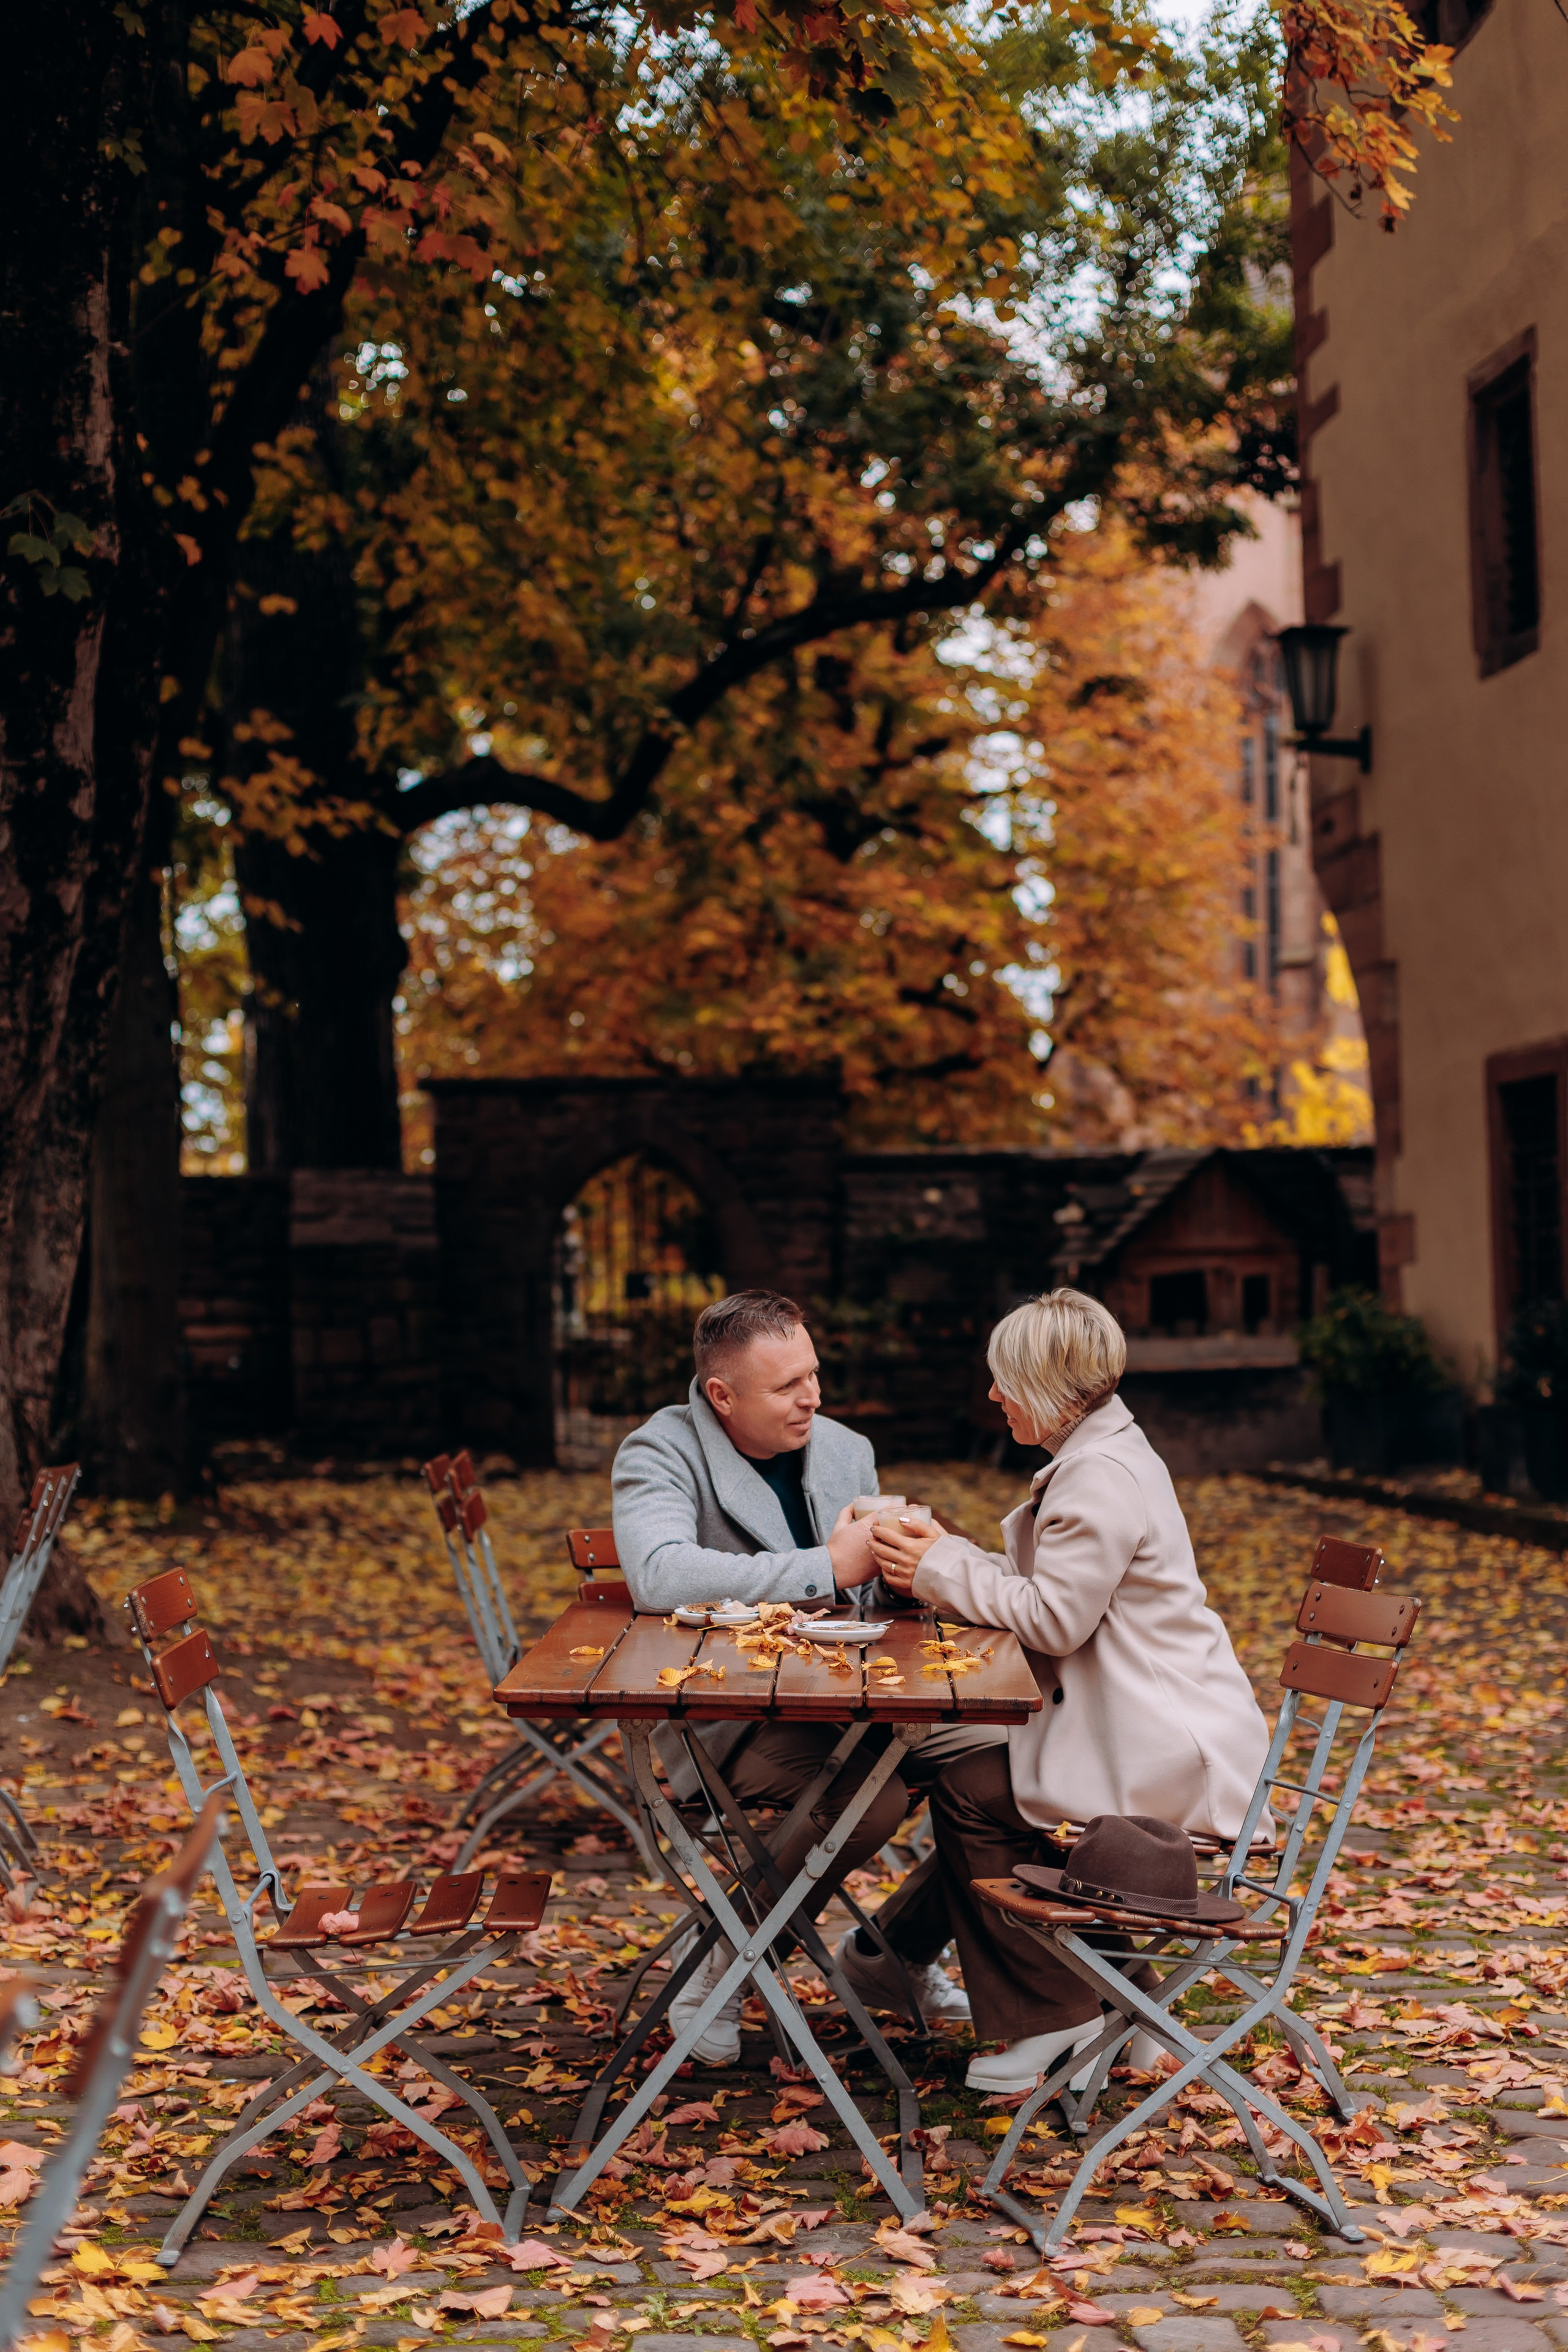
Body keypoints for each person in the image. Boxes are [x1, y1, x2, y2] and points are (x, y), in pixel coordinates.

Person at [871, 1287, 1270, 2095]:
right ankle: (1127, 2007)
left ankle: (1050, 2017)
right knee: (988, 1781)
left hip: (1162, 1747)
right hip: (1149, 1727)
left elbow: (1055, 1619)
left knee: (970, 1791)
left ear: (1046, 1385)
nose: (992, 1396)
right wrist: (948, 1553)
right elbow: (1047, 1586)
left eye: (1003, 1379)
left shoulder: (1099, 1477)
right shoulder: (1107, 1456)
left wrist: (940, 1567)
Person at [612, 1287, 999, 2060]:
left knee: (1003, 1767)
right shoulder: (660, 1450)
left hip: (865, 1699)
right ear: (722, 1396)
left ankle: (892, 1959)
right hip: (729, 1714)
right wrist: (827, 1564)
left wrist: (901, 1565)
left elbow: (868, 1600)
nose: (811, 1397)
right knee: (869, 1798)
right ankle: (720, 1973)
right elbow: (657, 1574)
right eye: (787, 1386)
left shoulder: (845, 1448)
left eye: (813, 1375)